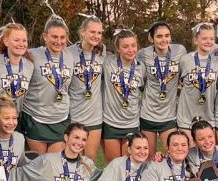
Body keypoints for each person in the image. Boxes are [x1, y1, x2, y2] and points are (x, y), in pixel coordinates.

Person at [21, 15, 75, 153]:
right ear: (45, 36)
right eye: (54, 37)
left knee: (54, 166)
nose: (58, 41)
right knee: (39, 166)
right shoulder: (31, 55)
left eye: (62, 37)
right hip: (36, 118)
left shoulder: (70, 57)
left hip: (60, 118)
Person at [138, 20, 187, 155]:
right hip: (148, 114)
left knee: (171, 156)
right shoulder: (143, 54)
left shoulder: (180, 50)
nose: (164, 39)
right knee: (148, 158)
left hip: (169, 116)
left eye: (167, 35)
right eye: (159, 36)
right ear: (151, 38)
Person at [102, 29, 147, 162]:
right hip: (111, 122)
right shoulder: (107, 63)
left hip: (131, 123)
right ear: (118, 48)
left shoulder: (141, 68)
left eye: (133, 45)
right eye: (125, 46)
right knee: (114, 166)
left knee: (130, 165)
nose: (130, 50)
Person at [66, 15, 106, 161]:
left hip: (95, 118)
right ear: (82, 32)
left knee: (89, 160)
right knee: (71, 159)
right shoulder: (68, 53)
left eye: (99, 33)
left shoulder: (102, 53)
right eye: (92, 32)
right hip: (74, 117)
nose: (96, 36)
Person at [177, 21, 218, 133]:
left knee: (207, 150)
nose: (208, 42)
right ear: (196, 40)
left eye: (211, 39)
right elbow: (179, 82)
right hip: (186, 119)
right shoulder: (185, 59)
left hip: (208, 119)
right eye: (204, 38)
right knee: (189, 150)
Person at [0, 21, 34, 110]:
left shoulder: (29, 66)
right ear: (6, 41)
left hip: (12, 121)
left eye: (24, 40)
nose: (21, 44)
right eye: (16, 40)